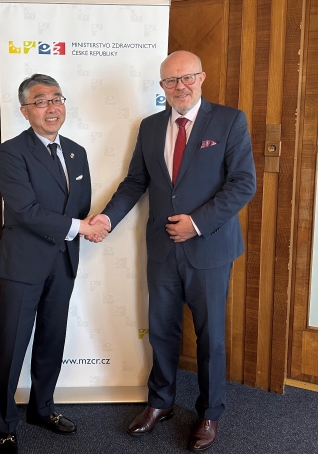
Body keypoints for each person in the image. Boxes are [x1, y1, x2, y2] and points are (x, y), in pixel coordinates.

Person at [88, 51, 256, 451]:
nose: (180, 87)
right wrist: (106, 218)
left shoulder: (229, 120)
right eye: (170, 80)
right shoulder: (149, 127)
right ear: (162, 85)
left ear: (202, 77)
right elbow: (135, 182)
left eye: (187, 78)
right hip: (163, 249)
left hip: (208, 247)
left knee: (210, 336)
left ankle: (209, 412)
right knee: (161, 330)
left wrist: (195, 223)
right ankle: (161, 402)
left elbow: (243, 183)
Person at [0, 74, 109, 454]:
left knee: (51, 339)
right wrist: (80, 228)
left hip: (63, 261)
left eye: (57, 99)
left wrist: (87, 225)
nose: (52, 107)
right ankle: (4, 425)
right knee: (13, 347)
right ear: (25, 111)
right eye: (41, 101)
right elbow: (25, 210)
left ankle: (42, 409)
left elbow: (79, 204)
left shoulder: (76, 151)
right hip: (24, 264)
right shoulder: (11, 153)